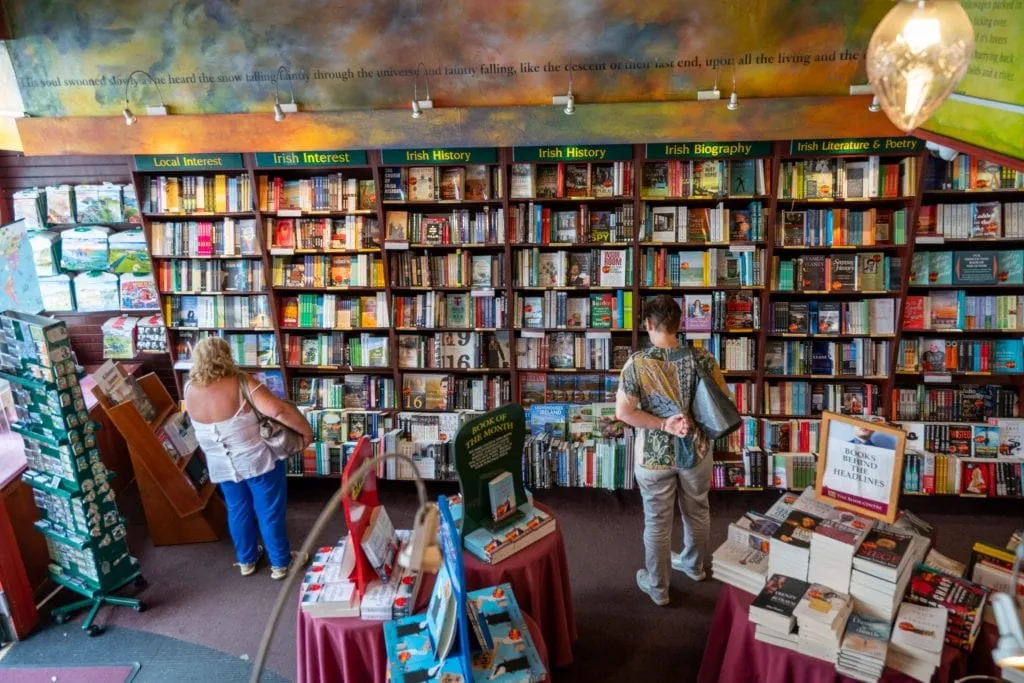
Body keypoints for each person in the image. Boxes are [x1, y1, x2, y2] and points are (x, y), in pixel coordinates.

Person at [615, 295, 732, 606]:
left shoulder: (637, 363)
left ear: (648, 325)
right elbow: (723, 400)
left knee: (656, 521)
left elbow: (624, 413)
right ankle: (694, 567)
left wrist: (663, 424)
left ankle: (658, 589)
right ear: (680, 325)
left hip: (654, 457)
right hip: (696, 449)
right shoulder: (704, 359)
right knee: (698, 510)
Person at [184, 336, 313, 578]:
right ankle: (281, 563)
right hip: (256, 459)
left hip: (220, 463)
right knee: (269, 510)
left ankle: (247, 559)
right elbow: (278, 410)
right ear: (226, 355)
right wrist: (305, 431)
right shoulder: (241, 382)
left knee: (237, 509)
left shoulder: (189, 388)